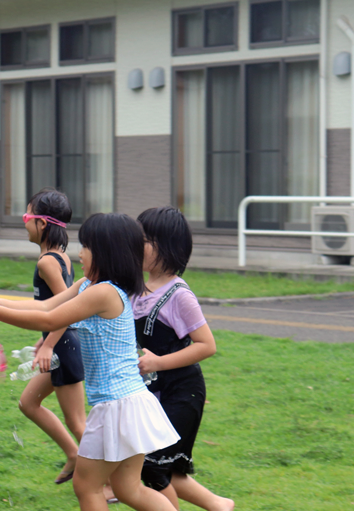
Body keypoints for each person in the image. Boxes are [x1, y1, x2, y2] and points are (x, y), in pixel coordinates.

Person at [0, 213, 180, 511]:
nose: (79, 253)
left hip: (117, 406)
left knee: (86, 486)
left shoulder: (104, 293)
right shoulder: (89, 285)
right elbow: (44, 305)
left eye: (86, 246)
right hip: (129, 403)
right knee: (128, 489)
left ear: (108, 252)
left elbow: (48, 319)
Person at [133, 207, 235, 511]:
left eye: (142, 240)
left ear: (165, 247)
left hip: (183, 391)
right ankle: (219, 505)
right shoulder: (136, 290)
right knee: (160, 468)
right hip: (155, 392)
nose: (134, 246)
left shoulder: (179, 295)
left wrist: (158, 363)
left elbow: (207, 345)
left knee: (152, 465)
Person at [15, 189, 86, 485]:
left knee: (78, 422)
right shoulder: (59, 257)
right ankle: (73, 454)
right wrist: (45, 343)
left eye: (27, 216)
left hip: (65, 349)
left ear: (41, 224)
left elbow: (68, 310)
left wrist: (50, 345)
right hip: (59, 347)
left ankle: (112, 479)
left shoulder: (47, 263)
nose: (24, 222)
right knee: (28, 403)